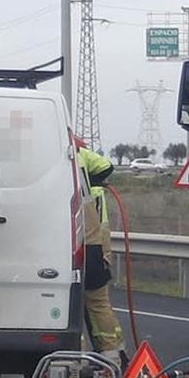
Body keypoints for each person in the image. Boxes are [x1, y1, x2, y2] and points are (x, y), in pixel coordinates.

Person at [75, 141, 127, 365]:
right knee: (98, 302)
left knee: (67, 304)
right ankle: (113, 356)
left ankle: (76, 358)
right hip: (94, 245)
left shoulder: (53, 157)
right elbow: (106, 167)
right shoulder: (81, 157)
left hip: (67, 244)